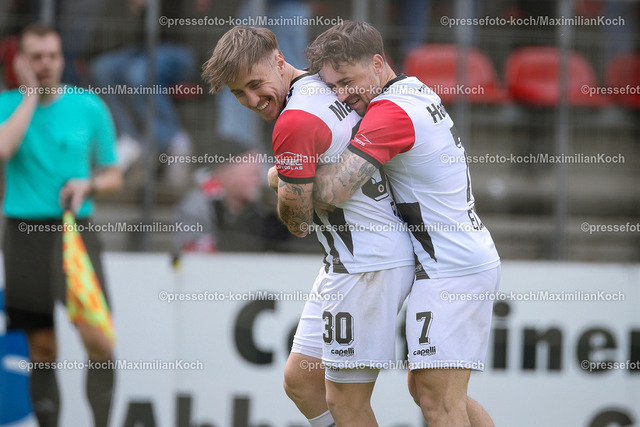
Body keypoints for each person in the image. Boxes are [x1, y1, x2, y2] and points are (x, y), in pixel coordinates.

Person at [202, 26, 417, 426]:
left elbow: (298, 222)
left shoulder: (294, 121)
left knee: (347, 403)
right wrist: (289, 178)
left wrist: (278, 179)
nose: (252, 100)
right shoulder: (325, 84)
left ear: (278, 60)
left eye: (255, 84)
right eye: (238, 93)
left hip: (367, 262)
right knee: (301, 381)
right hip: (352, 258)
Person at [306, 21, 501, 426]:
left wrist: (283, 175)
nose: (341, 95)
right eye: (333, 87)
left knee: (439, 401)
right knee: (432, 392)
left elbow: (334, 191)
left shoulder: (390, 112)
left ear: (378, 64)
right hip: (454, 261)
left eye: (347, 81)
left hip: (452, 269)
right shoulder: (411, 90)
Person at [0, 24, 122, 427]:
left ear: (62, 58)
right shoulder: (7, 105)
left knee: (98, 340)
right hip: (24, 236)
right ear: (22, 62)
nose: (46, 64)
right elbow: (3, 148)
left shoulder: (88, 106)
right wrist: (30, 95)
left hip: (75, 234)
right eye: (36, 57)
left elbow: (113, 174)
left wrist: (89, 184)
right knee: (42, 349)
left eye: (52, 55)